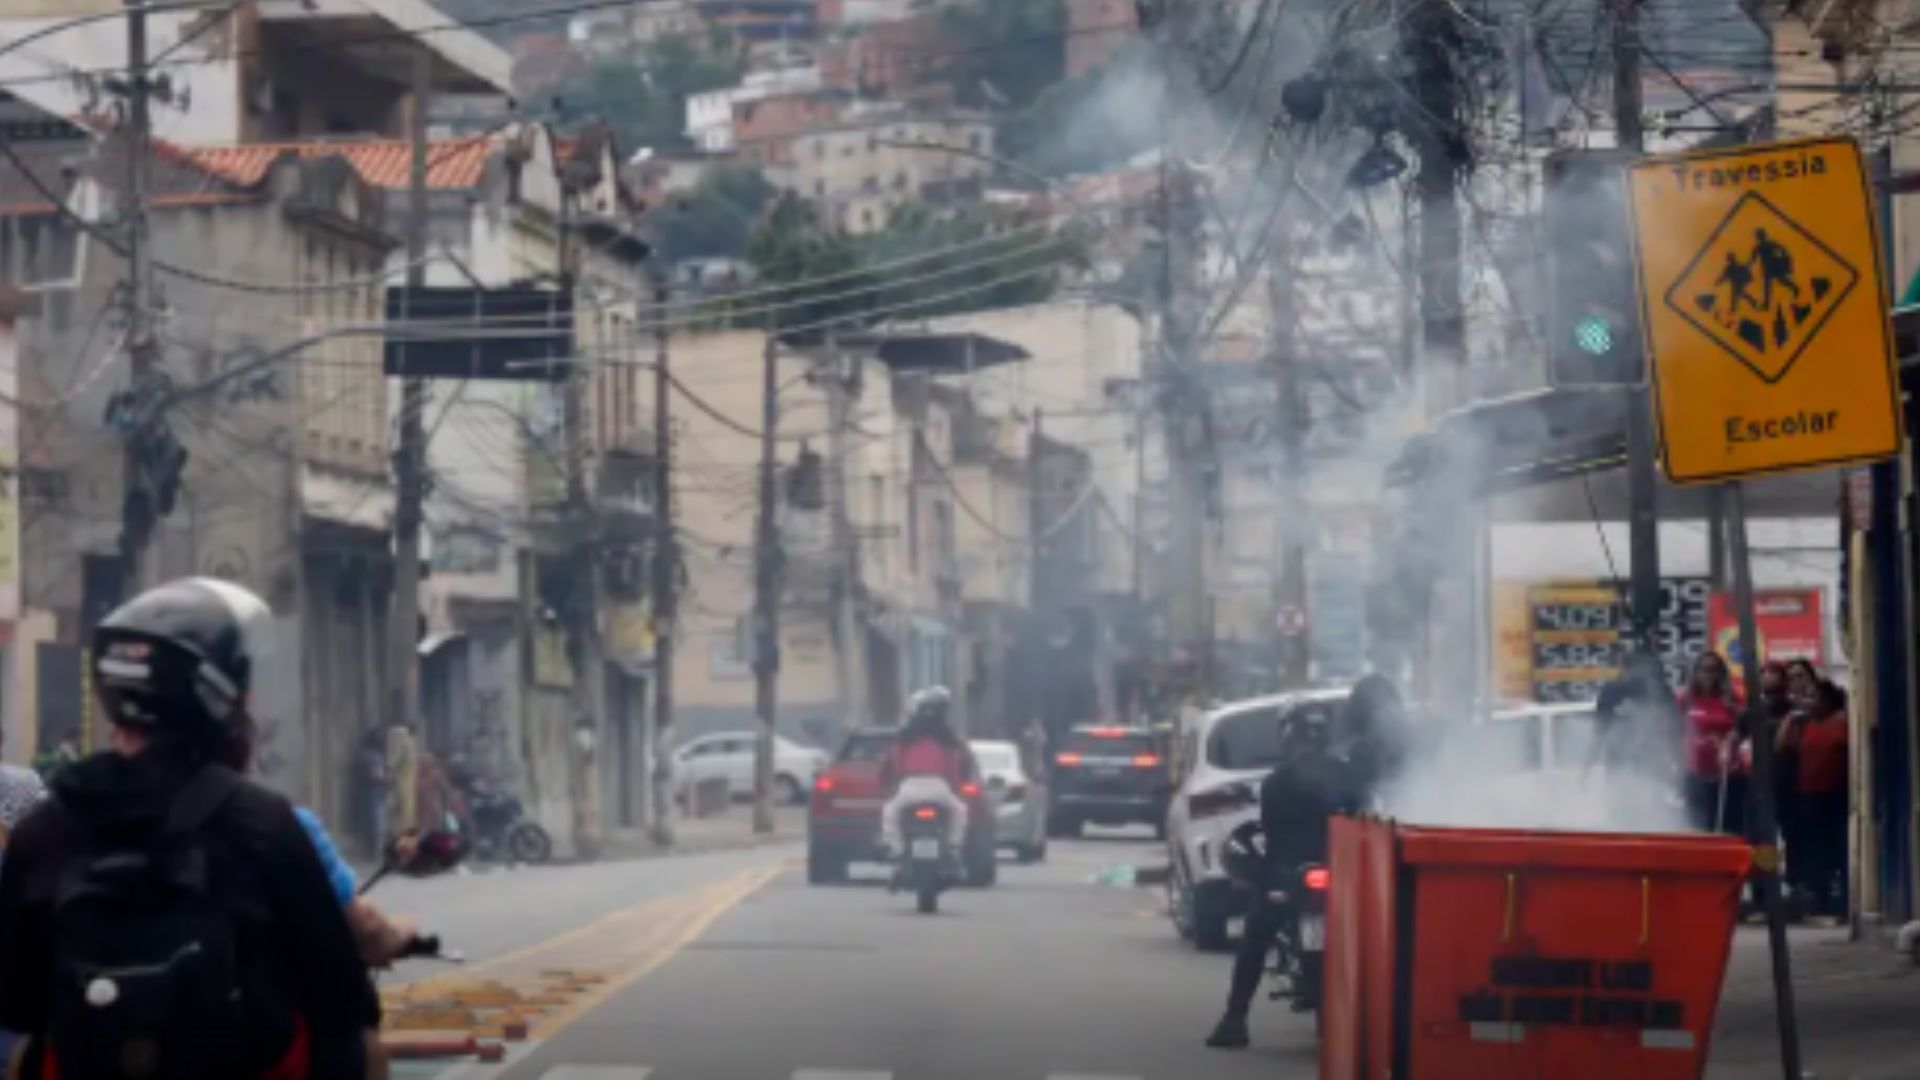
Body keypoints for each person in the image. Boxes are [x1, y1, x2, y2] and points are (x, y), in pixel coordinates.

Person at [0, 577, 380, 1080]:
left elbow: (17, 1003)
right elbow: (338, 993)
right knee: (356, 1044)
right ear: (219, 696)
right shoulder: (263, 823)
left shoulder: (42, 831)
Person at [1206, 674, 1401, 1051]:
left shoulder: (1277, 782)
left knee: (1256, 937)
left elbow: (1272, 833)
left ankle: (1234, 1019)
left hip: (1290, 878)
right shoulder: (1350, 776)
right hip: (1342, 877)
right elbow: (1366, 822)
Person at [877, 686, 972, 877]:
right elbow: (959, 766)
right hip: (939, 788)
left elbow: (891, 765)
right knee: (959, 812)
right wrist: (957, 787)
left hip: (910, 787)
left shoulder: (904, 737)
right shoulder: (949, 739)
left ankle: (898, 852)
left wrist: (889, 786)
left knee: (889, 813)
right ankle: (953, 850)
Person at [1781, 676, 1850, 920]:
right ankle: (1820, 902)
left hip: (1835, 795)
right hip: (1810, 795)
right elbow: (1783, 746)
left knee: (1838, 850)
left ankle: (1840, 904)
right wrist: (1791, 719)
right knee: (1815, 851)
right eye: (1807, 697)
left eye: (1815, 697)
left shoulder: (1841, 722)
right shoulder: (1805, 724)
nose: (1809, 702)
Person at [1679, 651, 1745, 835]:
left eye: (1714, 670)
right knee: (1697, 828)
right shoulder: (1685, 699)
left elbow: (1745, 727)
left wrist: (1732, 737)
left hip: (1728, 775)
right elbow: (1673, 728)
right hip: (1695, 774)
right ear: (1696, 672)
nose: (1709, 675)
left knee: (1728, 829)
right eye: (1704, 670)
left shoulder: (1733, 698)